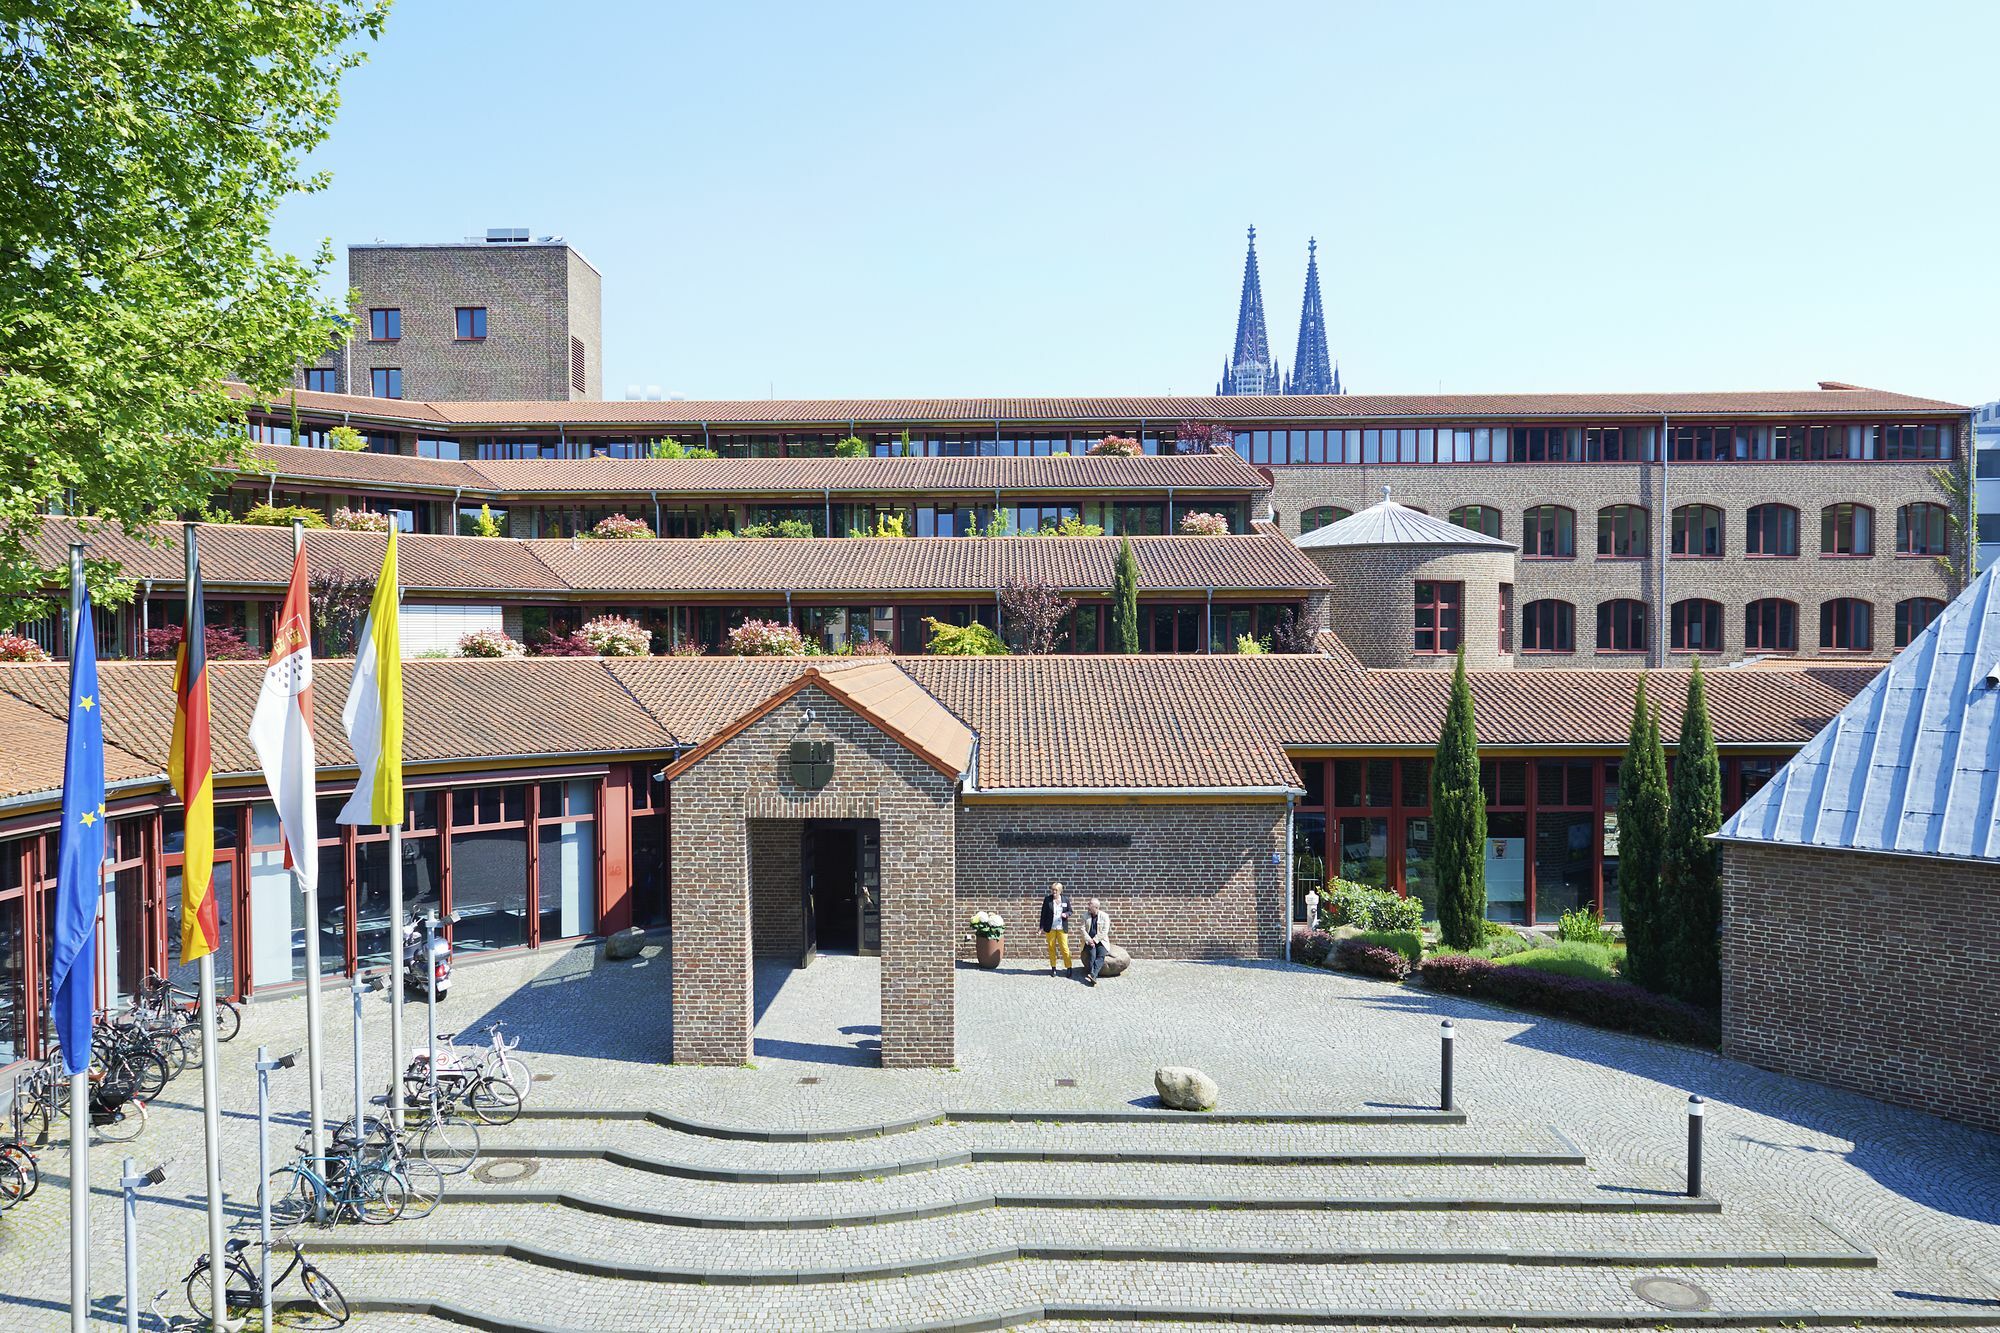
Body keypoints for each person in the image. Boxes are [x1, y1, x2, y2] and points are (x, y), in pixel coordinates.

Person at [1040, 882, 1074, 977]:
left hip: (1062, 927)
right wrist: (1041, 927)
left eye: (1056, 890)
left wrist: (1066, 914)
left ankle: (1069, 967)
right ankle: (1053, 968)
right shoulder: (1047, 900)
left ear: (1060, 891)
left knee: (1064, 948)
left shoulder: (1065, 899)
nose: (1054, 892)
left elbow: (1070, 911)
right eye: (1053, 890)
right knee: (1051, 947)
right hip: (1050, 927)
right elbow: (1043, 914)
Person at [1081, 898, 1110, 986]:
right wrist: (1089, 940)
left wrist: (1095, 940)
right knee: (1092, 956)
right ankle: (1093, 976)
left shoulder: (1104, 916)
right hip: (1089, 941)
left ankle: (1093, 975)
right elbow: (1082, 929)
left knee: (1101, 955)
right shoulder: (1085, 915)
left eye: (1090, 905)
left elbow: (1105, 931)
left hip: (1101, 941)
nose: (1088, 906)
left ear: (1096, 907)